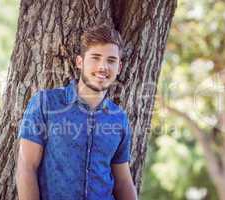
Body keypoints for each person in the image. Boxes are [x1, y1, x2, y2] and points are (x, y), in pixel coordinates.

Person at [16, 23, 137, 200]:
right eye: (95, 57)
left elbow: (123, 181)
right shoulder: (46, 104)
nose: (103, 67)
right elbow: (26, 167)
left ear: (119, 67)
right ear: (80, 62)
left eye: (111, 60)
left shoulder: (119, 118)